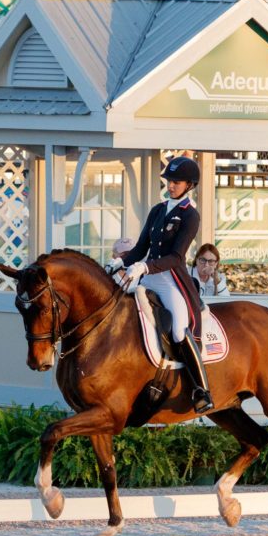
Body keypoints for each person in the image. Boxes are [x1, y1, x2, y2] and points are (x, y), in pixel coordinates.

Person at [105, 156, 212, 413]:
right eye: (169, 181)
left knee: (177, 330)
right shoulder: (157, 210)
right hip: (147, 275)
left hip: (170, 280)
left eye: (177, 182)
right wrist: (117, 263)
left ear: (190, 185)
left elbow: (176, 257)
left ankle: (201, 390)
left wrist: (146, 267)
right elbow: (141, 248)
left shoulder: (190, 216)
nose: (171, 185)